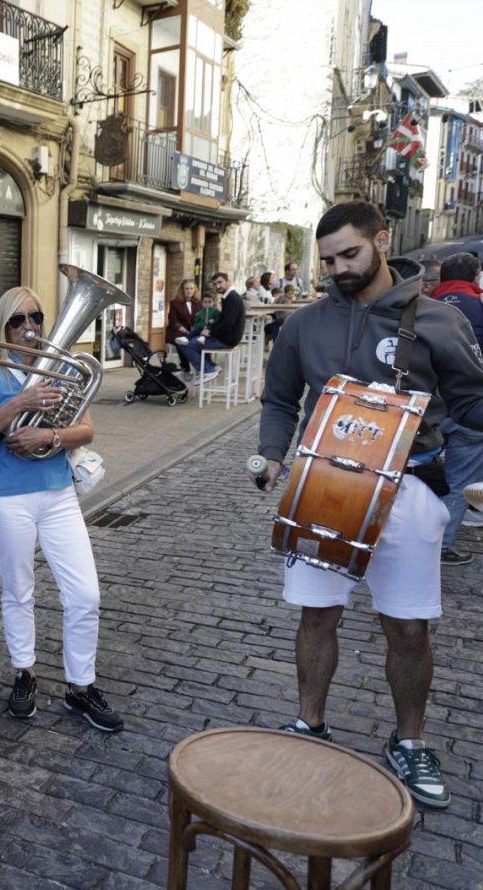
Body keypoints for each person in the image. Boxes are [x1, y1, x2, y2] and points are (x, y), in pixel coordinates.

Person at [256, 200, 483, 811]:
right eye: (327, 260)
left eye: (350, 254)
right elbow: (279, 400)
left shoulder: (437, 320)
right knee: (315, 617)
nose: (338, 269)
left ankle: (409, 741)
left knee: (408, 627)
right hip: (322, 486)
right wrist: (272, 454)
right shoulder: (304, 325)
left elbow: (470, 404)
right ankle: (311, 724)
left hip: (409, 489)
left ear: (382, 241)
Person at [0, 287, 124, 732]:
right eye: (19, 320)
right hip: (10, 499)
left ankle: (81, 687)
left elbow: (86, 431)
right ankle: (25, 673)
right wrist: (18, 405)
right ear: (4, 327)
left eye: (36, 317)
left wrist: (50, 438)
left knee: (85, 594)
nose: (30, 327)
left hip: (58, 495)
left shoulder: (65, 370)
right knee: (18, 591)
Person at [430, 252, 483, 562]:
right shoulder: (478, 305)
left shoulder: (425, 306)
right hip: (470, 407)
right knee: (460, 479)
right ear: (474, 277)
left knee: (418, 476)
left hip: (431, 408)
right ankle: (440, 547)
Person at [179, 272, 245, 382]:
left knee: (188, 346)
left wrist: (210, 331)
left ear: (228, 282)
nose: (217, 286)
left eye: (220, 282)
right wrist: (209, 328)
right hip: (227, 336)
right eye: (215, 284)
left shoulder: (232, 298)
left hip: (227, 339)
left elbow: (227, 324)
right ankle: (213, 366)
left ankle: (208, 371)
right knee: (193, 340)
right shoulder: (229, 296)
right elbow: (224, 321)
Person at [166, 279, 201, 374]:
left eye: (191, 288)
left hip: (193, 330)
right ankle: (185, 367)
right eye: (186, 289)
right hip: (177, 331)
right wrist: (187, 332)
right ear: (182, 290)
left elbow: (201, 320)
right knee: (181, 340)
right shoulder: (174, 303)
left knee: (201, 341)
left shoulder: (198, 303)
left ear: (195, 290)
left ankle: (200, 367)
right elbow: (173, 321)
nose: (189, 291)